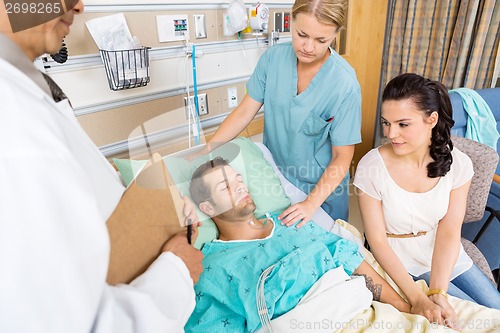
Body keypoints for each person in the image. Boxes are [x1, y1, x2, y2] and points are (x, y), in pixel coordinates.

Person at [0, 2, 203, 332]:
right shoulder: (11, 118)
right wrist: (176, 270)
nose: (79, 6)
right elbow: (75, 323)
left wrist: (153, 213)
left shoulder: (25, 88)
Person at [184, 157, 410, 332]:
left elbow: (346, 256)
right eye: (226, 187)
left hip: (365, 314)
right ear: (208, 208)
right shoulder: (212, 267)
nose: (241, 187)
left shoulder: (290, 219)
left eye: (239, 180)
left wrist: (404, 308)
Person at [353, 73, 500, 326]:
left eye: (403, 124)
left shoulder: (459, 164)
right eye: (386, 123)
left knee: (495, 308)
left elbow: (450, 229)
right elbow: (376, 241)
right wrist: (418, 298)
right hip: (398, 257)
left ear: (431, 119)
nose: (391, 134)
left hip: (443, 250)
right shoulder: (372, 166)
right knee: (471, 321)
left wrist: (439, 293)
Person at [196, 0, 361, 225]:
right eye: (302, 34)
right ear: (291, 21)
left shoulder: (344, 83)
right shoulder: (273, 59)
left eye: (321, 40)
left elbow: (342, 156)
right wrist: (206, 151)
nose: (309, 47)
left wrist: (311, 204)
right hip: (276, 177)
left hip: (322, 191)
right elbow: (245, 111)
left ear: (334, 35)